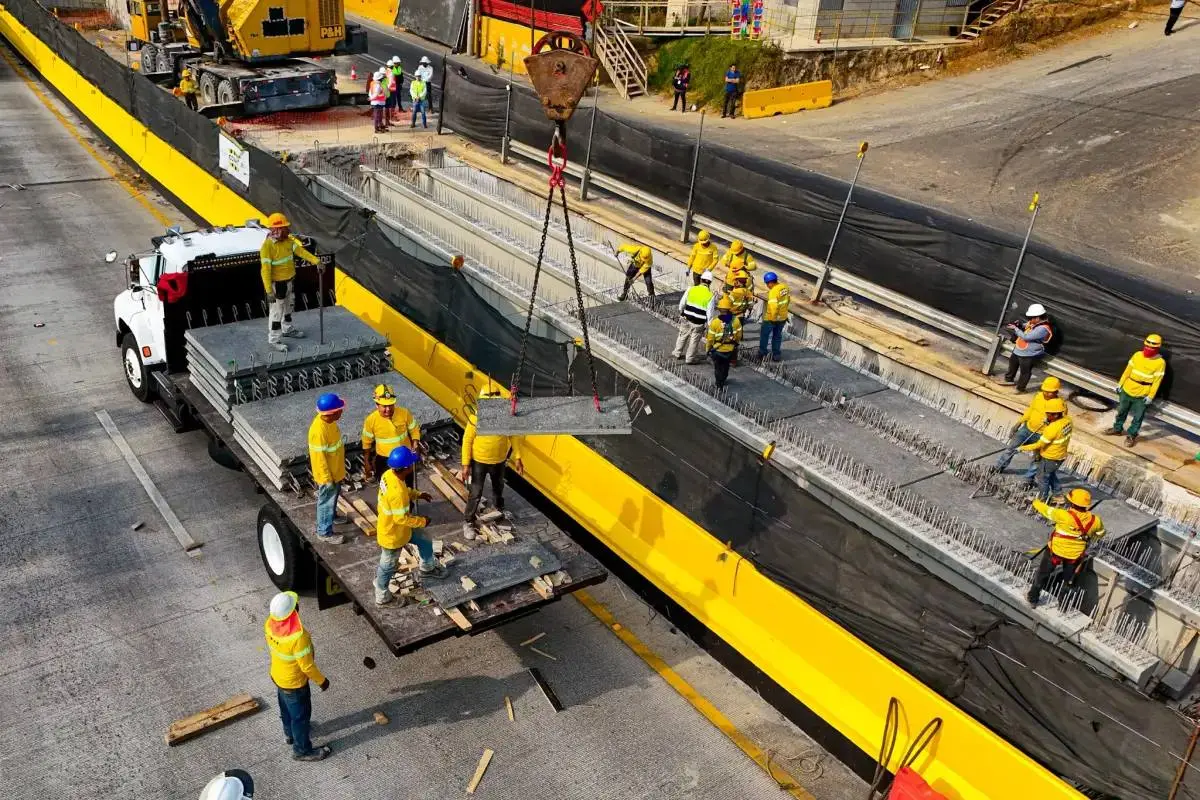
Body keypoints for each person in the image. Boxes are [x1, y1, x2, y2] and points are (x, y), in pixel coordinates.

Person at [264, 591, 333, 761]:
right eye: (296, 605)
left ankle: (289, 734)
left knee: (286, 709)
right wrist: (321, 681)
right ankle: (302, 751)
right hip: (295, 683)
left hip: (278, 676)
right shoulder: (299, 637)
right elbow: (307, 666)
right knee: (300, 717)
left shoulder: (270, 625)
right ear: (293, 611)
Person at [375, 446, 445, 605]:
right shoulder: (396, 493)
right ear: (406, 468)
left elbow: (404, 490)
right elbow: (401, 518)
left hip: (401, 529)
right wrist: (422, 521)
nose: (414, 465)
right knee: (388, 565)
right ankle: (382, 595)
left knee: (425, 539)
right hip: (392, 534)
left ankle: (427, 568)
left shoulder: (389, 474)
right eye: (412, 463)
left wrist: (418, 494)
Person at [460, 389, 523, 539]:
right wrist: (465, 464)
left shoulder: (504, 417)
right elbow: (467, 441)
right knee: (476, 492)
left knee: (498, 487)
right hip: (479, 462)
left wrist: (518, 457)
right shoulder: (475, 418)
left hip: (499, 461)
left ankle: (499, 510)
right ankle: (468, 521)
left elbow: (513, 436)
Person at [1026, 488, 1105, 607]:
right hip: (1075, 556)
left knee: (1042, 574)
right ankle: (1063, 604)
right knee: (1069, 581)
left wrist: (1034, 502)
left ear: (1072, 503)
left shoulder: (1063, 515)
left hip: (1055, 552)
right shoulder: (1095, 521)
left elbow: (1046, 511)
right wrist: (1090, 536)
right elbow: (1101, 533)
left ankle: (1033, 598)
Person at [260, 212, 320, 352]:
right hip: (277, 286)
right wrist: (269, 290)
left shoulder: (288, 242)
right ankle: (274, 339)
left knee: (288, 309)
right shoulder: (267, 247)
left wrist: (316, 261)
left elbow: (301, 252)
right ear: (276, 230)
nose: (288, 230)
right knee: (276, 313)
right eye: (284, 228)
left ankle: (287, 329)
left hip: (289, 282)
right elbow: (265, 270)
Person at [1106, 333, 1166, 447]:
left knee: (1138, 417)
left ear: (1157, 348)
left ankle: (1131, 436)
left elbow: (1157, 381)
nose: (1148, 349)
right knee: (1121, 411)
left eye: (1152, 347)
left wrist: (1150, 396)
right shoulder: (1137, 355)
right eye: (1147, 346)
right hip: (1127, 389)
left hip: (1142, 394)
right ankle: (1117, 429)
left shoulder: (1160, 363)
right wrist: (1120, 384)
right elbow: (1127, 371)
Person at [361, 383, 423, 487]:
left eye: (390, 405)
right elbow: (366, 443)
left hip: (405, 457)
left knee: (407, 487)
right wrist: (367, 462)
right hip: (385, 461)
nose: (388, 409)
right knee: (387, 489)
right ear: (377, 405)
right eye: (384, 406)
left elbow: (414, 429)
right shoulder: (371, 420)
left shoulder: (404, 413)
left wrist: (415, 443)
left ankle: (409, 503)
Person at [995, 376, 1060, 472]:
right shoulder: (1038, 396)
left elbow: (1059, 424)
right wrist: (1018, 424)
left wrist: (1051, 423)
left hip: (1042, 436)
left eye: (1049, 391)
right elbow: (1030, 411)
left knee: (1037, 459)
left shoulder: (1060, 405)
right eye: (1044, 390)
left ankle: (1028, 480)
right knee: (1011, 448)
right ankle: (998, 468)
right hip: (1027, 429)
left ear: (1056, 392)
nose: (1046, 393)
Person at [308, 392, 348, 544]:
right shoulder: (318, 431)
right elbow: (319, 460)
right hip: (327, 476)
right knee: (326, 501)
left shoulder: (329, 423)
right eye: (340, 409)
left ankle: (332, 516)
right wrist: (326, 479)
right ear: (331, 413)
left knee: (334, 496)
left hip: (334, 471)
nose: (342, 411)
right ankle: (324, 532)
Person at [1018, 396, 1071, 500]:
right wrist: (1050, 421)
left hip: (1050, 457)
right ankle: (1058, 495)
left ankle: (1042, 499)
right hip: (1059, 455)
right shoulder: (1068, 421)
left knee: (1042, 478)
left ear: (1056, 414)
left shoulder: (1052, 429)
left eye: (1048, 414)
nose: (1046, 415)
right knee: (1050, 474)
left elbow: (1039, 445)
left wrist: (1022, 448)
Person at [1003, 303, 1053, 392]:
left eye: (1030, 318)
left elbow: (1027, 337)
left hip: (1029, 354)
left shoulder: (1043, 329)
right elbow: (1025, 326)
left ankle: (1020, 388)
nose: (1029, 320)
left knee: (1025, 372)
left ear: (1037, 318)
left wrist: (1016, 329)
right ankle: (1009, 380)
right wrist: (1019, 325)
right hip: (1019, 350)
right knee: (1012, 365)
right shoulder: (1033, 323)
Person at [673, 270, 716, 364]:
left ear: (701, 280)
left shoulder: (691, 289)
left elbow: (682, 303)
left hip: (686, 318)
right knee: (694, 340)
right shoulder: (710, 296)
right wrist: (709, 325)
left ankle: (677, 353)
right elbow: (710, 313)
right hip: (698, 322)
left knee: (682, 336)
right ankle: (689, 358)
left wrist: (681, 312)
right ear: (710, 283)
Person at [707, 296, 742, 389]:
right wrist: (735, 344)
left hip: (718, 350)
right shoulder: (736, 321)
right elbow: (739, 335)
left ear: (719, 309)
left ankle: (719, 384)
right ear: (730, 308)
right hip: (730, 350)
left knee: (718, 368)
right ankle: (723, 378)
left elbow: (710, 338)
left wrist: (708, 349)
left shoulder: (715, 322)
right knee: (726, 366)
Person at [758, 272, 790, 361]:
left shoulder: (773, 292)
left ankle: (762, 353)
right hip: (782, 318)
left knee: (765, 335)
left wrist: (772, 319)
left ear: (770, 282)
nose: (767, 286)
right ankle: (776, 355)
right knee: (777, 336)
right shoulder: (784, 287)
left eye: (767, 284)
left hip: (771, 319)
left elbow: (774, 307)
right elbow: (788, 300)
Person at [368, 68, 387, 133]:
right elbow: (376, 94)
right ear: (379, 79)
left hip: (378, 103)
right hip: (377, 103)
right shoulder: (378, 85)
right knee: (377, 116)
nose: (382, 79)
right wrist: (371, 98)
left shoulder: (374, 83)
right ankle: (376, 129)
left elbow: (370, 92)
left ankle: (379, 127)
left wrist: (370, 98)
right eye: (381, 78)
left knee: (379, 116)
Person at [385, 56, 401, 122]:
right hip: (391, 90)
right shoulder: (391, 73)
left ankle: (388, 117)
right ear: (392, 66)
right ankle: (392, 117)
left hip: (387, 90)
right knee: (393, 104)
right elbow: (391, 82)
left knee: (388, 104)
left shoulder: (386, 72)